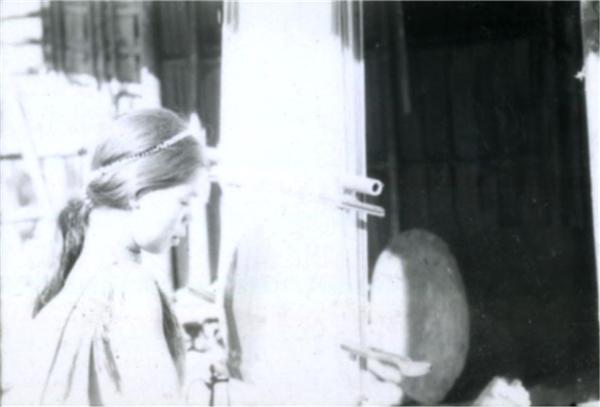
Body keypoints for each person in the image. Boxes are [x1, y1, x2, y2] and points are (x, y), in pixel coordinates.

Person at [4, 108, 208, 405]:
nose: (189, 219)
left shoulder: (68, 287)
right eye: (185, 201)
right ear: (139, 193)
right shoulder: (130, 286)